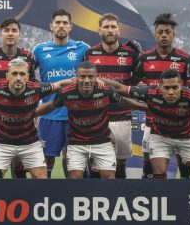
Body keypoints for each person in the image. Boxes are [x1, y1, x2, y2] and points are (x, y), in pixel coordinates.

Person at [0, 58, 72, 179]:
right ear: (7, 76)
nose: (18, 77)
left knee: (42, 181)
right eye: (14, 74)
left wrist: (78, 81)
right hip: (2, 144)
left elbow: (60, 84)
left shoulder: (37, 89)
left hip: (30, 144)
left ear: (28, 76)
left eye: (22, 74)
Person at [35, 61, 146, 179]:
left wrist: (146, 108)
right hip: (76, 143)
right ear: (76, 77)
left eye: (90, 77)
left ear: (96, 77)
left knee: (109, 177)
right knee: (75, 178)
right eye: (82, 76)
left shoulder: (105, 90)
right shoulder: (65, 93)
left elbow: (123, 102)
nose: (87, 80)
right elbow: (51, 106)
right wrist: (30, 113)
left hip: (102, 142)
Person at [101, 69, 190, 179]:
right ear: (160, 87)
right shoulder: (150, 93)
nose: (171, 92)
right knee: (159, 173)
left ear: (181, 85)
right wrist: (95, 79)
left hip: (188, 138)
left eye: (175, 87)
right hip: (160, 137)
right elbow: (120, 88)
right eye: (166, 88)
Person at [133, 13, 190, 179]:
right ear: (155, 34)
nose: (163, 35)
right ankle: (152, 197)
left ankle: (183, 193)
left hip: (180, 122)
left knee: (185, 171)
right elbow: (134, 84)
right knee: (149, 169)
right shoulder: (145, 57)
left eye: (167, 32)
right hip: (152, 121)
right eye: (160, 32)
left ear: (173, 34)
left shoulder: (184, 58)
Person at [32, 9, 89, 178]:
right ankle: (45, 199)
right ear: (51, 26)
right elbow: (29, 78)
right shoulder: (39, 50)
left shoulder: (82, 48)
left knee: (73, 161)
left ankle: (73, 198)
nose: (61, 26)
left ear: (71, 27)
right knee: (46, 160)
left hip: (76, 115)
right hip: (50, 115)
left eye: (65, 23)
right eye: (58, 22)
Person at [0, 18, 36, 178]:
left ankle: (20, 200)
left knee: (19, 165)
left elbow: (33, 86)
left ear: (19, 34)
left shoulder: (28, 57)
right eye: (7, 30)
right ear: (1, 34)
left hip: (20, 121)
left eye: (14, 30)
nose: (10, 34)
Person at [84, 13, 140, 178]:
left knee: (121, 165)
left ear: (119, 30)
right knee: (95, 165)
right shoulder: (90, 54)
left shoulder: (130, 54)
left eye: (113, 27)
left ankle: (118, 198)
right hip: (97, 117)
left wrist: (140, 57)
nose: (110, 30)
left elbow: (136, 83)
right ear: (99, 30)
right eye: (106, 27)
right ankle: (95, 200)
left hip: (123, 117)